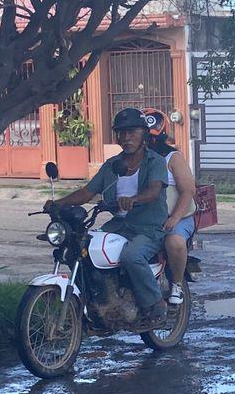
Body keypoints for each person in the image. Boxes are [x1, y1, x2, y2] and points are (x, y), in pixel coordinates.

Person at [45, 108, 171, 323]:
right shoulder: (113, 165)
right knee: (82, 249)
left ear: (144, 134)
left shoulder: (155, 161)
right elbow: (88, 191)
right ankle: (97, 302)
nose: (126, 137)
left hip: (148, 227)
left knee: (132, 256)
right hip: (117, 226)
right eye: (121, 133)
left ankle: (155, 303)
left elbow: (154, 190)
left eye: (132, 132)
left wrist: (134, 199)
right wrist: (58, 203)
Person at [142, 107, 196, 306]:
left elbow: (188, 191)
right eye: (145, 136)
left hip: (177, 218)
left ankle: (177, 284)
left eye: (153, 136)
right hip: (146, 219)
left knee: (174, 243)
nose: (149, 140)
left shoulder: (173, 158)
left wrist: (174, 218)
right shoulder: (134, 159)